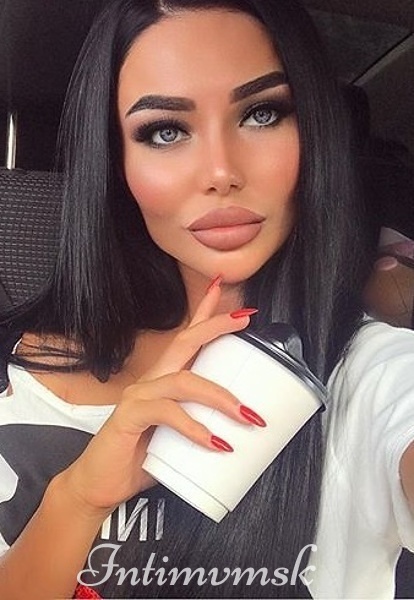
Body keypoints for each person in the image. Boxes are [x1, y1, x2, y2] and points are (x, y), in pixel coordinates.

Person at [0, 0, 413, 598]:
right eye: (165, 131)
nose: (221, 171)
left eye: (263, 114)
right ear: (116, 161)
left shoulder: (371, 373)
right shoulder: (13, 362)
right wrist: (78, 497)